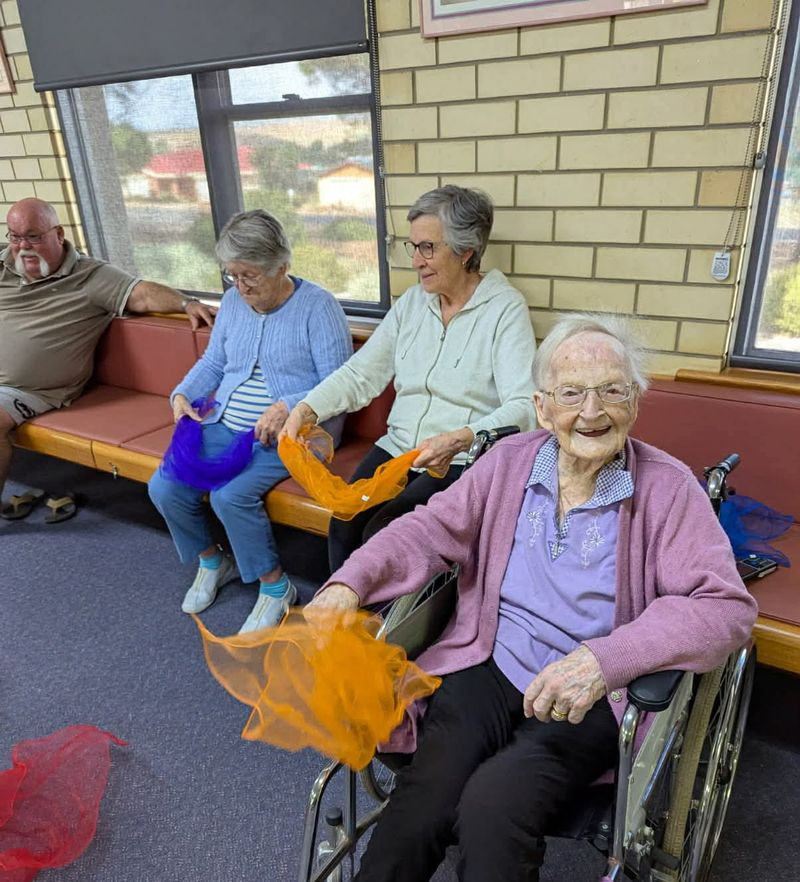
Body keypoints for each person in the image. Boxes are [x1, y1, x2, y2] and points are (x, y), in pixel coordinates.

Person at [305, 313, 758, 882]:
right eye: (571, 393)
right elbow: (427, 529)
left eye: (611, 390)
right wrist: (350, 583)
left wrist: (604, 660)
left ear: (635, 401)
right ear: (543, 407)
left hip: (590, 694)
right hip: (490, 660)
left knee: (494, 808)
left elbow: (726, 608)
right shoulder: (509, 462)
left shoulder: (669, 490)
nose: (591, 412)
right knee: (425, 799)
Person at [282, 185, 537, 571]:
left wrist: (460, 438)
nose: (416, 261)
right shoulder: (414, 303)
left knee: (387, 539)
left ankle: (388, 628)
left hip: (458, 459)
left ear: (466, 250)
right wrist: (307, 408)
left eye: (428, 248)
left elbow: (524, 407)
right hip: (399, 448)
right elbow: (362, 372)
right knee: (343, 525)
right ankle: (342, 621)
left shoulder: (505, 309)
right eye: (413, 247)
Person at [148, 209, 352, 634]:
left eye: (250, 277)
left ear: (282, 266)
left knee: (229, 497)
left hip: (295, 433)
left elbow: (339, 384)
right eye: (232, 276)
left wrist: (288, 406)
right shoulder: (235, 305)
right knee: (164, 485)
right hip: (227, 422)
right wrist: (183, 393)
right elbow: (215, 362)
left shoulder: (319, 307)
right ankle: (212, 560)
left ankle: (276, 588)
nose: (240, 287)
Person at [0, 197, 216, 508]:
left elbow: (140, 295)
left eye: (33, 236)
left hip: (30, 389)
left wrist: (187, 303)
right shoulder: (3, 264)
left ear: (58, 234)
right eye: (16, 237)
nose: (23, 246)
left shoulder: (90, 277)